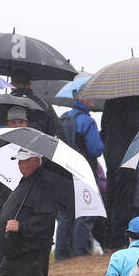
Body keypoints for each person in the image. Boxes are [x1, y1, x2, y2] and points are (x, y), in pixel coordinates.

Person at [57, 97, 104, 259]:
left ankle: (61, 254)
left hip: (63, 172)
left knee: (65, 215)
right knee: (85, 211)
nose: (94, 99)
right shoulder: (87, 121)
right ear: (84, 99)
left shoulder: (63, 118)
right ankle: (80, 252)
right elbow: (96, 149)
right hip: (83, 171)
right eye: (92, 96)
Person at [102, 95, 139, 250]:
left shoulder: (110, 99)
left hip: (111, 153)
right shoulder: (134, 98)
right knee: (124, 200)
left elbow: (104, 128)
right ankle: (119, 241)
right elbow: (134, 123)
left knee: (111, 199)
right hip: (126, 154)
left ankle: (109, 240)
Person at [9, 72, 58, 137]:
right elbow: (55, 129)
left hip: (10, 144)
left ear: (11, 86)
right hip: (39, 144)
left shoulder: (4, 103)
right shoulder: (44, 104)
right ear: (29, 85)